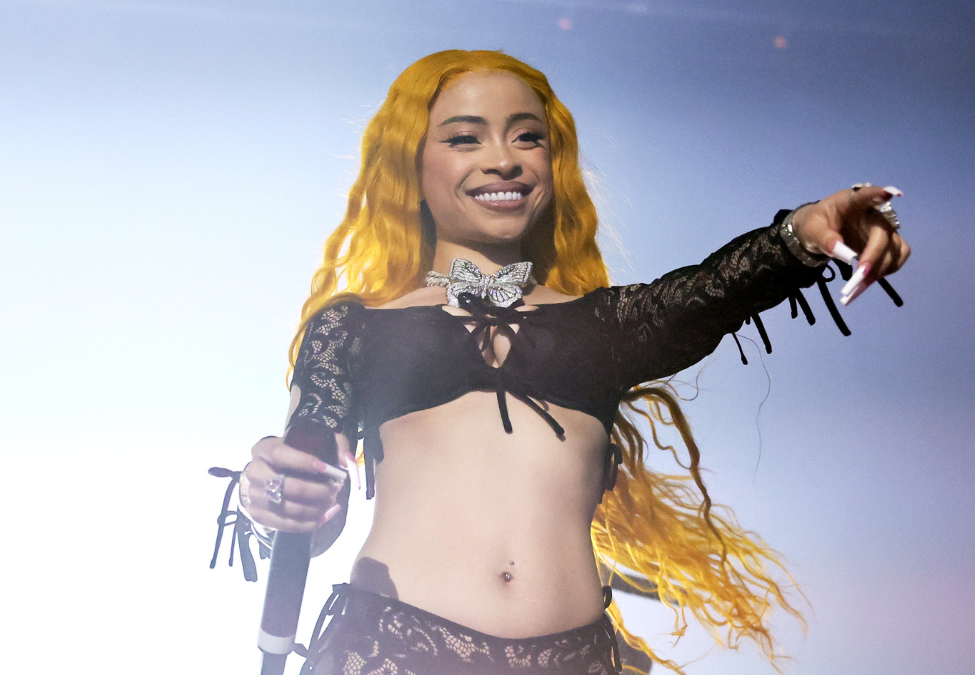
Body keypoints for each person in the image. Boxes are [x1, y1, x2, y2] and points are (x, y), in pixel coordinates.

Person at [234, 49, 909, 675]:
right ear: (410, 162)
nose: (504, 160)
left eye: (527, 137)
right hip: (397, 652)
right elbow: (307, 493)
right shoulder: (353, 327)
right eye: (466, 138)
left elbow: (714, 290)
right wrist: (272, 497)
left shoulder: (604, 324)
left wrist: (806, 232)